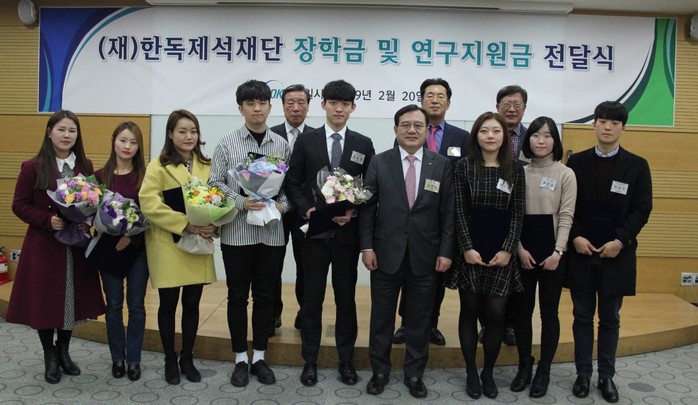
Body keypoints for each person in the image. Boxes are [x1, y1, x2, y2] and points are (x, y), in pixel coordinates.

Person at [359, 104, 454, 399]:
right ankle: (380, 371)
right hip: (385, 254)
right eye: (405, 125)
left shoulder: (441, 164)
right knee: (382, 318)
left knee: (420, 320)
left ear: (427, 130)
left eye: (418, 125)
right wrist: (367, 246)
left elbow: (448, 213)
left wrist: (446, 251)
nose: (412, 130)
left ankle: (414, 373)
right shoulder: (379, 162)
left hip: (426, 256)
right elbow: (367, 209)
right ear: (396, 129)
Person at [285, 79, 375, 387]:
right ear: (323, 104)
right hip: (314, 232)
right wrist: (307, 210)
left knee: (346, 299)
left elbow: (369, 187)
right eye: (333, 102)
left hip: (346, 235)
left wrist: (354, 210)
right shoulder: (306, 141)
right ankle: (309, 360)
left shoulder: (363, 143)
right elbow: (293, 183)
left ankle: (346, 360)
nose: (339, 108)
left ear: (353, 107)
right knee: (312, 299)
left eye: (345, 104)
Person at [8, 110, 105, 384]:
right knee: (45, 301)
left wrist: (87, 220)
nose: (66, 135)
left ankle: (64, 350)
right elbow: (19, 205)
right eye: (61, 129)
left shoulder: (84, 165)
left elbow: (92, 201)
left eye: (72, 130)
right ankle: (49, 354)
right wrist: (47, 220)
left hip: (75, 246)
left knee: (71, 299)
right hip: (45, 247)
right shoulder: (33, 166)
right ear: (49, 132)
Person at [566, 101, 652, 403]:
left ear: (623, 128)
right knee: (581, 315)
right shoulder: (576, 163)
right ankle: (582, 373)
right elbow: (567, 206)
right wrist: (575, 236)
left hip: (618, 254)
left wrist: (621, 240)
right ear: (594, 125)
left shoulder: (637, 165)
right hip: (582, 252)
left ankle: (606, 376)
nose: (607, 127)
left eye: (614, 122)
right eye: (602, 121)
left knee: (610, 318)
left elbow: (642, 209)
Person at [209, 80, 291, 387]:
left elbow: (291, 187)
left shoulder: (281, 145)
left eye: (262, 102)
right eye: (250, 103)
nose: (257, 108)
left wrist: (282, 206)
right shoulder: (226, 143)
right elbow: (215, 184)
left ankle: (259, 356)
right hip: (237, 232)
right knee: (237, 296)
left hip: (271, 232)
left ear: (270, 106)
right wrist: (241, 201)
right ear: (240, 108)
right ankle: (240, 358)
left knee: (266, 296)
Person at [445, 111, 525, 399]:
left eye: (496, 131)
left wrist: (508, 249)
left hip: (502, 254)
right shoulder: (464, 167)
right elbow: (459, 211)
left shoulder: (516, 169)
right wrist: (466, 248)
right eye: (484, 131)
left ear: (504, 136)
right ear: (476, 135)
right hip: (471, 252)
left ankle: (488, 371)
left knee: (496, 313)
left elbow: (518, 213)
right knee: (469, 310)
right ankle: (471, 370)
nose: (490, 136)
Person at [139, 109, 217, 385]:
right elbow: (149, 203)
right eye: (182, 131)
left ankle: (187, 357)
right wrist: (185, 223)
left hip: (199, 243)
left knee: (192, 303)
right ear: (170, 134)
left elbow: (218, 198)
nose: (188, 136)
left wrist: (214, 224)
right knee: (168, 304)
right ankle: (170, 358)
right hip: (168, 244)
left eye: (193, 131)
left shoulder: (206, 165)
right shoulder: (157, 166)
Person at [393, 78, 469, 347]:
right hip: (412, 215)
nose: (435, 100)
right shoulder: (408, 131)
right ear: (422, 100)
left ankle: (431, 323)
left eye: (440, 96)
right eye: (429, 95)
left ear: (448, 102)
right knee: (408, 271)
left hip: (444, 216)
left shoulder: (462, 137)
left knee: (437, 274)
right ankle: (406, 323)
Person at [510, 117, 576, 397]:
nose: (541, 140)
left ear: (555, 141)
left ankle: (544, 369)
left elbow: (566, 215)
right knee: (522, 312)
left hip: (553, 255)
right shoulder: (518, 172)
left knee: (549, 313)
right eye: (536, 135)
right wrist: (519, 249)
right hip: (523, 253)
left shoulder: (565, 174)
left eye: (547, 135)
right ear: (528, 140)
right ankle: (524, 365)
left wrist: (558, 251)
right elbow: (512, 214)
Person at [94, 122, 149, 381]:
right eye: (123, 140)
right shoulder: (99, 176)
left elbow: (150, 214)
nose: (127, 146)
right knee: (113, 305)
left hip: (137, 249)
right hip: (109, 249)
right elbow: (90, 212)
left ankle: (134, 360)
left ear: (139, 147)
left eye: (133, 142)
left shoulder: (145, 177)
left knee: (136, 306)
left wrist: (131, 236)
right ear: (113, 141)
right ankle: (117, 358)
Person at [269, 84, 315, 333]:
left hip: (303, 213)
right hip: (274, 211)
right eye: (290, 103)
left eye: (301, 102)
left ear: (308, 106)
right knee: (272, 264)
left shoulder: (318, 137)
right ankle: (272, 313)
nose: (295, 108)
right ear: (282, 105)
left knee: (305, 266)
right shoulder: (269, 135)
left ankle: (304, 312)